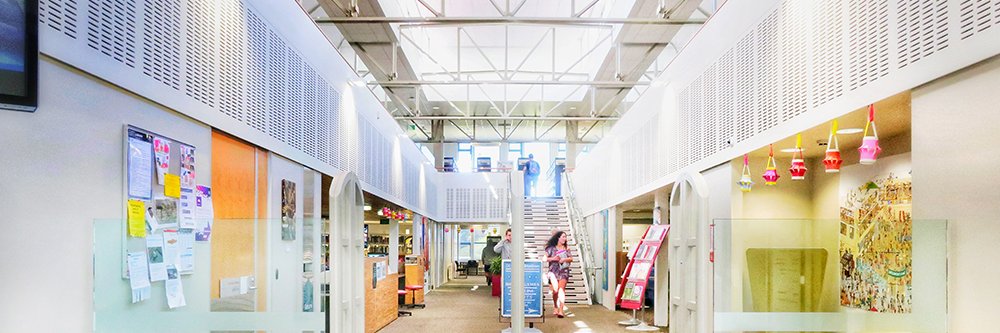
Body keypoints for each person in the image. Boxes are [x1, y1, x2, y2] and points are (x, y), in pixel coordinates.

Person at [544, 231, 572, 318]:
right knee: (555, 291)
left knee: (561, 290)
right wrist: (554, 258)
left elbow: (571, 258)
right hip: (553, 272)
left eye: (565, 237)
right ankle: (555, 306)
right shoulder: (551, 248)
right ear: (558, 238)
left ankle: (561, 310)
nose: (565, 239)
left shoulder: (566, 248)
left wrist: (564, 260)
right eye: (563, 237)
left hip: (564, 271)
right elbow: (544, 258)